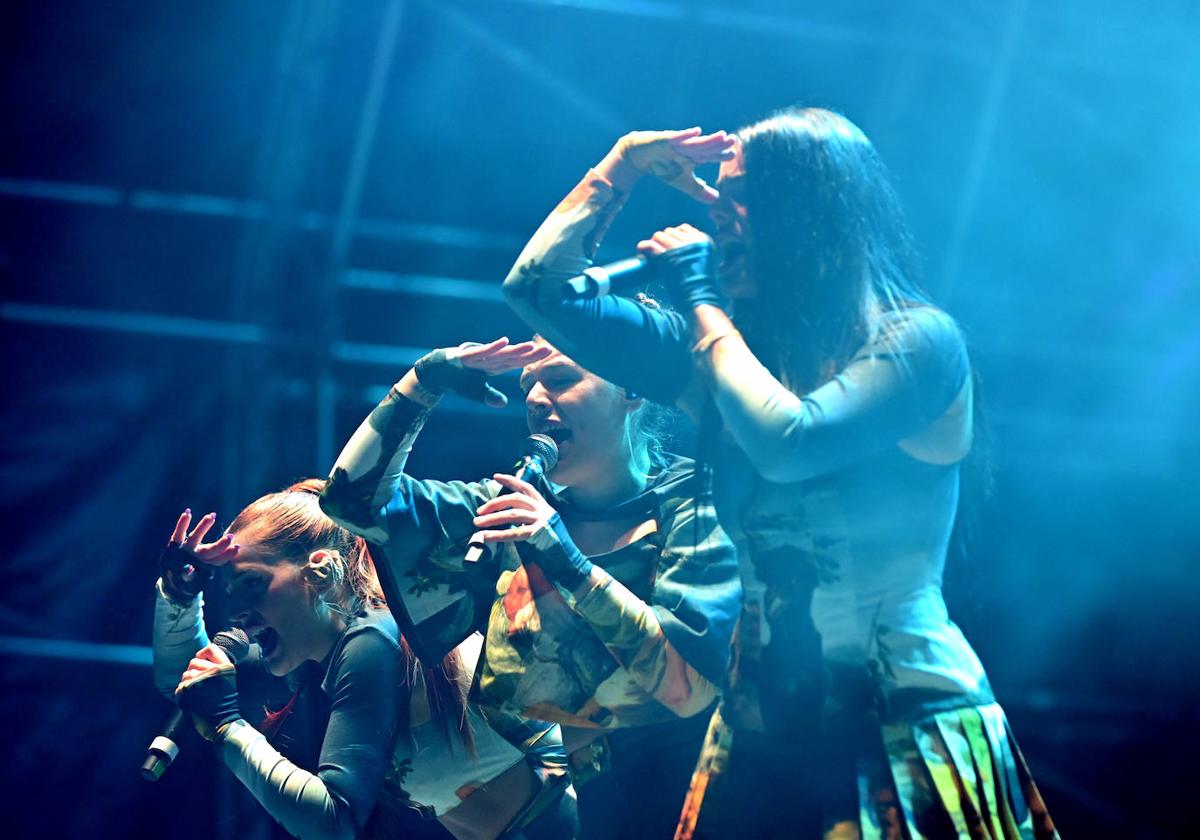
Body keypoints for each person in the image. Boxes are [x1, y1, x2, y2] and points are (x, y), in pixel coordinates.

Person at [501, 109, 1058, 838]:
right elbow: (536, 292)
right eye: (717, 191)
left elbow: (788, 444)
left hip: (903, 728)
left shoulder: (920, 343)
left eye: (741, 197)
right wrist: (624, 165)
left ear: (810, 213)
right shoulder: (720, 359)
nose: (715, 211)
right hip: (761, 742)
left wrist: (701, 297)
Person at [319, 336, 742, 840]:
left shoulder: (696, 503)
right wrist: (425, 380)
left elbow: (686, 684)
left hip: (715, 792)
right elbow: (349, 501)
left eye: (560, 379)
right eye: (528, 386)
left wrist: (562, 556)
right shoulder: (514, 512)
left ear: (631, 388)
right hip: (604, 806)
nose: (538, 399)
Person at [153, 479, 577, 840]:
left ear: (318, 571)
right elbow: (189, 683)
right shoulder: (318, 645)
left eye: (252, 584)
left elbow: (333, 820)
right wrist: (179, 598)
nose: (238, 613)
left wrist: (228, 728)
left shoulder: (374, 637)